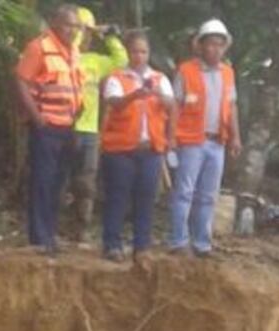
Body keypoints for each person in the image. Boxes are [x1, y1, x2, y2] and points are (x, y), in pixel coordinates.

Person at [168, 19, 242, 257]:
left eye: (219, 45)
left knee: (209, 195)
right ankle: (179, 241)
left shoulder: (228, 73)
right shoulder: (186, 71)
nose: (215, 49)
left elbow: (231, 107)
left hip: (216, 141)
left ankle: (202, 243)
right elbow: (175, 106)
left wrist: (235, 137)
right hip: (191, 140)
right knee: (184, 192)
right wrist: (171, 138)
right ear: (200, 45)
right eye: (211, 44)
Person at [15, 4, 84, 255]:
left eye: (76, 26)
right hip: (46, 127)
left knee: (58, 184)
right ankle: (39, 238)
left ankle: (51, 235)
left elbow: (75, 88)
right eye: (68, 24)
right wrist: (37, 118)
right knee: (42, 182)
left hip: (67, 126)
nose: (72, 30)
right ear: (55, 23)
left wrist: (75, 122)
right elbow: (22, 82)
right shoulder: (39, 47)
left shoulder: (74, 51)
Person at [99, 32, 174, 262]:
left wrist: (159, 94)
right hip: (120, 149)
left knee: (146, 199)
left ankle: (141, 246)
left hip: (150, 149)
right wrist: (135, 95)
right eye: (135, 51)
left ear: (148, 53)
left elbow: (172, 105)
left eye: (143, 51)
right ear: (128, 52)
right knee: (118, 197)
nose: (139, 56)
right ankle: (112, 244)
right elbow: (114, 103)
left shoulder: (160, 78)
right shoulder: (117, 78)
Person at [68, 6, 128, 245]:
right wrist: (81, 32)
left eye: (88, 33)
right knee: (61, 179)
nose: (86, 37)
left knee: (87, 182)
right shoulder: (66, 57)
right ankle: (54, 227)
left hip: (89, 130)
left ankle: (81, 228)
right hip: (66, 128)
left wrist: (110, 36)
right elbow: (71, 51)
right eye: (82, 31)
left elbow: (121, 60)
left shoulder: (95, 61)